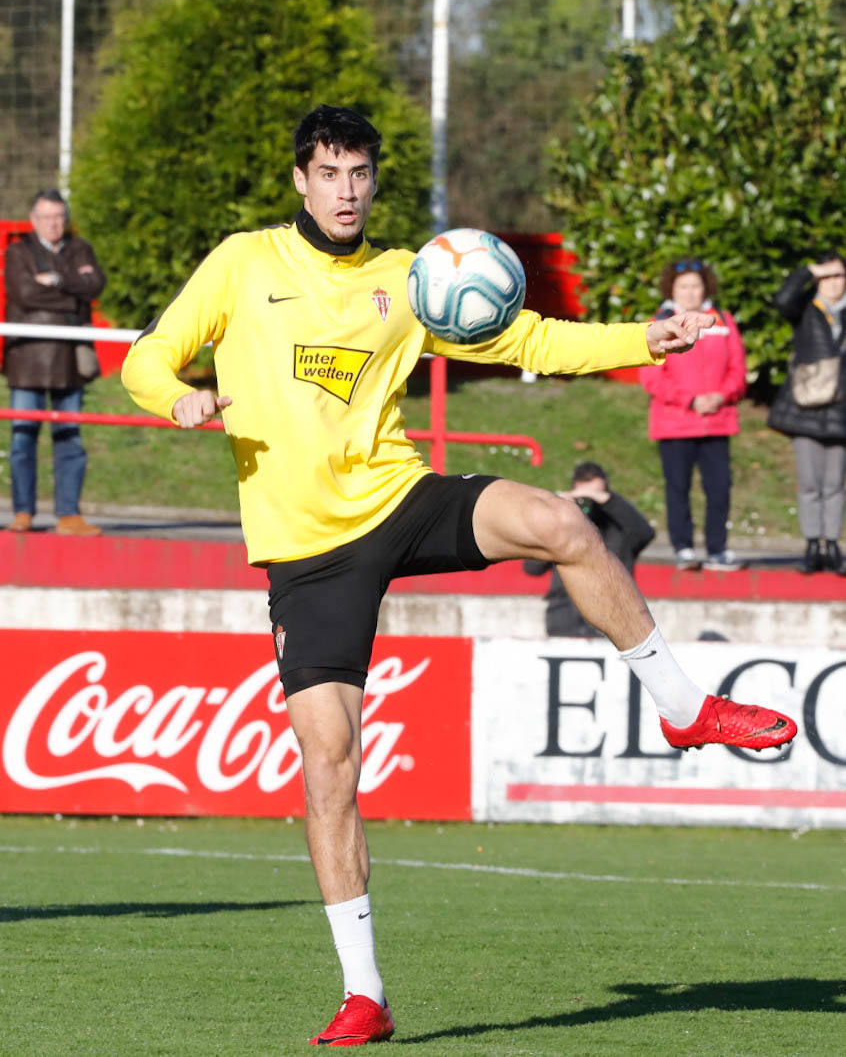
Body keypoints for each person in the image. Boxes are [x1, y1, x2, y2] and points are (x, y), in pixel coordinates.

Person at [121, 105, 797, 1047]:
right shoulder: (244, 263)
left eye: (361, 173)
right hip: (307, 554)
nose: (348, 191)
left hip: (399, 500)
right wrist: (181, 398)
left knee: (562, 519)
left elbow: (527, 340)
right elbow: (146, 358)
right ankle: (365, 994)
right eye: (330, 173)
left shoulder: (413, 278)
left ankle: (683, 704)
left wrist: (641, 341)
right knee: (329, 768)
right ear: (299, 181)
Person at [3, 189, 106, 535]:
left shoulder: (81, 248)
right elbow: (24, 293)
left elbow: (95, 286)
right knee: (22, 439)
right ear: (33, 220)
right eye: (46, 217)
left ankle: (69, 515)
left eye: (59, 217)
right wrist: (73, 298)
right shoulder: (18, 252)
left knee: (70, 438)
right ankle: (22, 513)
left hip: (69, 359)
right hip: (26, 357)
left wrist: (58, 282)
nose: (53, 224)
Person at [639, 258, 747, 571]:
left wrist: (720, 396)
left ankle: (717, 550)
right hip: (675, 423)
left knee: (719, 489)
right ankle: (683, 549)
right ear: (672, 289)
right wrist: (690, 400)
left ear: (706, 288)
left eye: (695, 285)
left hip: (717, 421)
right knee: (677, 488)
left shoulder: (723, 321)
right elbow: (651, 376)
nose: (690, 292)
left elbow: (738, 370)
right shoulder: (658, 322)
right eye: (683, 286)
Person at [767, 253, 846, 575]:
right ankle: (812, 544)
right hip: (806, 409)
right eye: (827, 277)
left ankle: (833, 544)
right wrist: (809, 272)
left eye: (839, 276)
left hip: (841, 411)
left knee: (835, 483)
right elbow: (782, 299)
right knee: (810, 482)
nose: (833, 283)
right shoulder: (806, 308)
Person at [523, 461, 655, 636]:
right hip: (564, 619)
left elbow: (644, 532)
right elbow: (532, 568)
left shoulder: (621, 531)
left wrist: (610, 501)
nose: (590, 504)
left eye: (595, 496)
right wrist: (557, 518)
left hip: (613, 622)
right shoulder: (563, 530)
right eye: (583, 497)